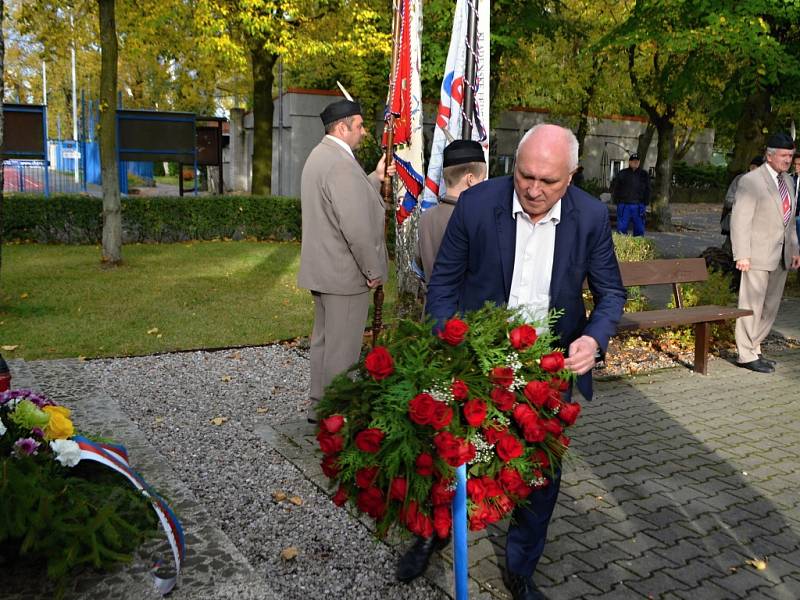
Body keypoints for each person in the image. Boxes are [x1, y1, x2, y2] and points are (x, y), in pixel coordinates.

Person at [398, 123, 627, 600]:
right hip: (476, 360)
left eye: (549, 181)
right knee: (449, 460)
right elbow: (443, 286)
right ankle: (433, 534)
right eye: (526, 176)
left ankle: (520, 568)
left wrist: (594, 340)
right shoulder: (479, 205)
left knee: (540, 476)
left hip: (549, 370)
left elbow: (611, 294)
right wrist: (451, 339)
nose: (534, 190)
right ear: (512, 165)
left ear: (572, 176)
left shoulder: (588, 216)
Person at [297, 98, 392, 422]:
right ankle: (335, 417)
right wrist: (373, 270)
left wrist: (375, 178)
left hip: (325, 272)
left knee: (324, 343)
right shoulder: (339, 163)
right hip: (345, 275)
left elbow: (340, 200)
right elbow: (355, 226)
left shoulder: (322, 156)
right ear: (342, 127)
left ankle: (319, 405)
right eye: (360, 126)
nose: (364, 132)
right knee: (343, 351)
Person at [730, 132, 800, 373]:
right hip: (756, 255)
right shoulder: (751, 181)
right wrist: (742, 254)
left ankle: (755, 347)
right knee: (751, 305)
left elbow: (788, 221)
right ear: (769, 156)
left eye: (791, 155)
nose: (788, 160)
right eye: (783, 155)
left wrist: (794, 248)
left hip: (781, 256)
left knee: (770, 307)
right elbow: (740, 220)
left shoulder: (788, 181)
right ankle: (745, 354)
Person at [415, 139, 487, 291]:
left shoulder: (426, 217)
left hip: (431, 308)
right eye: (482, 180)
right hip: (465, 313)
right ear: (471, 180)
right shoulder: (477, 220)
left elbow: (419, 267)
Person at [721, 155, 764, 255]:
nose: (753, 169)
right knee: (730, 247)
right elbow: (728, 199)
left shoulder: (766, 183)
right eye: (752, 166)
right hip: (738, 219)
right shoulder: (740, 179)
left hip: (756, 223)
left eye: (757, 167)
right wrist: (740, 205)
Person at [611, 153, 651, 236]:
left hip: (639, 205)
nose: (635, 162)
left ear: (639, 162)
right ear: (629, 162)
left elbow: (648, 189)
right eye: (633, 161)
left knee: (639, 229)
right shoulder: (622, 173)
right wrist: (616, 201)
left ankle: (638, 247)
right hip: (624, 205)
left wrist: (645, 203)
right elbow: (614, 187)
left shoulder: (644, 174)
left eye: (637, 161)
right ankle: (622, 247)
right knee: (621, 229)